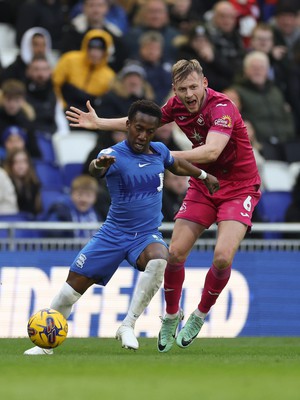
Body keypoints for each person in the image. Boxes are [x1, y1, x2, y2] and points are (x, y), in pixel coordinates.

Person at [65, 59, 261, 352]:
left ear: (205, 83)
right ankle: (171, 315)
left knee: (221, 257)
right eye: (183, 89)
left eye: (194, 86)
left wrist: (157, 153)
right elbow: (142, 123)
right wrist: (99, 123)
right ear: (175, 90)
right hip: (203, 185)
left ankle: (200, 314)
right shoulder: (176, 105)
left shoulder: (223, 108)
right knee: (175, 253)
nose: (189, 94)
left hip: (239, 187)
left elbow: (211, 151)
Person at [24, 99, 220, 355]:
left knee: (161, 258)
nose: (143, 135)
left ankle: (128, 325)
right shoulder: (113, 154)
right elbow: (95, 169)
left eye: (149, 131)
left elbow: (177, 164)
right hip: (112, 235)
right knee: (66, 295)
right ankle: (45, 347)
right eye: (138, 128)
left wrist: (203, 176)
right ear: (128, 125)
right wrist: (99, 166)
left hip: (145, 237)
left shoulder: (159, 151)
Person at [44, 174, 103, 238]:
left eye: (88, 195)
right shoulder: (60, 211)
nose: (84, 199)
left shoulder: (97, 214)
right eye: (80, 194)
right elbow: (53, 233)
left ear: (95, 198)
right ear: (72, 194)